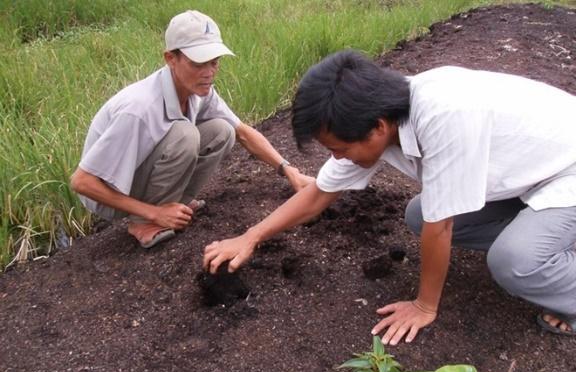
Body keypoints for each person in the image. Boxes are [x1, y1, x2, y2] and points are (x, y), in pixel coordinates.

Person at [204, 49, 576, 344]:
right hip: (531, 175)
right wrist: (250, 236)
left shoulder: (444, 115)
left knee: (514, 260)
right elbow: (319, 194)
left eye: (339, 148)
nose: (336, 157)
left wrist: (424, 305)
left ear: (377, 128)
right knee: (417, 214)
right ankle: (548, 240)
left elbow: (441, 225)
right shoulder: (378, 112)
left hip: (567, 171)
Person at [71, 10, 313, 248]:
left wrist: (289, 171)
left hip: (138, 175)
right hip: (109, 193)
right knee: (185, 135)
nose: (208, 73)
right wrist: (153, 212)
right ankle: (144, 222)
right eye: (198, 63)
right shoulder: (139, 109)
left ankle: (175, 205)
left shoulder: (198, 91)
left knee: (222, 131)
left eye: (214, 62)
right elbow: (82, 182)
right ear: (170, 59)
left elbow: (242, 132)